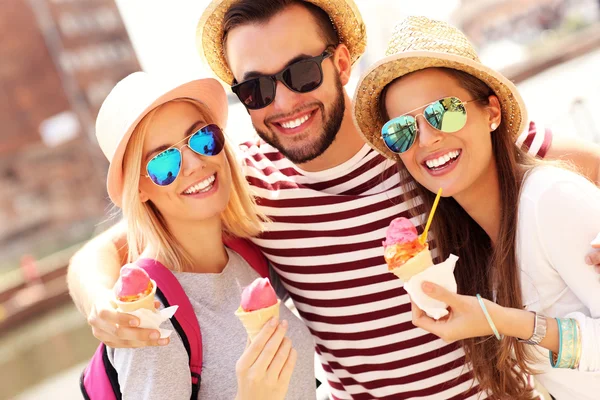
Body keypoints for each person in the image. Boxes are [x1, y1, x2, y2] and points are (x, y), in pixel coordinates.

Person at [69, 1, 600, 398]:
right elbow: (105, 250)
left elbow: (578, 164)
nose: (283, 102)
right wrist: (101, 306)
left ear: (343, 62)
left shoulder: (418, 139)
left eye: (300, 73)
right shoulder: (246, 184)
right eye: (255, 90)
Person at [353, 16, 600, 400]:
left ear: (492, 113)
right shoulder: (478, 247)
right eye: (402, 130)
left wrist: (500, 320)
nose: (429, 138)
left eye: (444, 111)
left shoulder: (550, 199)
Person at [91, 71, 315, 399]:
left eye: (202, 138)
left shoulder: (249, 255)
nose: (195, 163)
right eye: (164, 162)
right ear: (139, 190)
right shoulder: (146, 317)